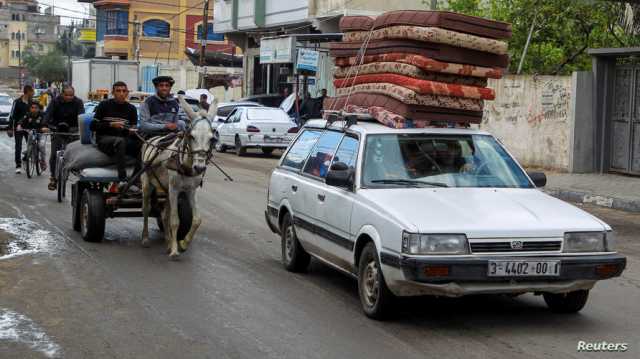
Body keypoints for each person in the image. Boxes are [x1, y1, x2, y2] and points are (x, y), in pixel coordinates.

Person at [90, 81, 141, 190]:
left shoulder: (131, 109)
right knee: (120, 141)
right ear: (113, 92)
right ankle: (122, 180)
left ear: (127, 93)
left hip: (124, 139)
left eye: (124, 91)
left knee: (143, 145)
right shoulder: (104, 105)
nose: (121, 93)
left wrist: (133, 130)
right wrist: (111, 124)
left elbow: (132, 128)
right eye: (118, 91)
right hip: (104, 139)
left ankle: (136, 180)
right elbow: (93, 126)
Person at [45, 85, 84, 190]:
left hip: (73, 131)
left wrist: (82, 128)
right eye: (67, 95)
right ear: (62, 94)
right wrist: (45, 126)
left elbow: (82, 117)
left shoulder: (78, 102)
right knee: (54, 154)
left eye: (71, 95)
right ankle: (53, 177)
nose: (69, 97)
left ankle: (78, 174)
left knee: (77, 153)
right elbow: (47, 115)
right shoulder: (55, 102)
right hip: (57, 130)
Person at [8, 85, 34, 174]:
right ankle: (18, 165)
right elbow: (12, 116)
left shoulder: (32, 102)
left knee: (31, 146)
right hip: (18, 128)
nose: (33, 93)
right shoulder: (17, 102)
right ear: (28, 92)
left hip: (29, 128)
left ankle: (25, 158)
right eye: (32, 92)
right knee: (18, 147)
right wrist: (10, 128)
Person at [18, 102, 49, 171]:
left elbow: (46, 122)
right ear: (30, 108)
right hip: (32, 132)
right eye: (32, 107)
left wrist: (45, 127)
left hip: (41, 133)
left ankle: (43, 161)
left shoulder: (43, 115)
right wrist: (19, 125)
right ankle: (28, 153)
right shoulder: (27, 115)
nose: (34, 109)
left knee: (41, 145)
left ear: (39, 109)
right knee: (29, 143)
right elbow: (22, 120)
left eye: (36, 108)